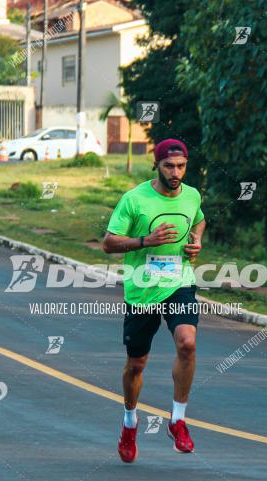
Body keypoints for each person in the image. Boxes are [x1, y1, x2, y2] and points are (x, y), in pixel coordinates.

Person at [102, 138, 206, 463]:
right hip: (142, 289)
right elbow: (108, 243)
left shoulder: (192, 195)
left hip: (179, 283)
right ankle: (129, 423)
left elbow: (199, 218)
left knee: (187, 343)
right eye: (169, 166)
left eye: (181, 166)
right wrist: (144, 241)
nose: (176, 173)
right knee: (136, 365)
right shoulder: (134, 199)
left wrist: (196, 241)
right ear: (156, 164)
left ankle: (177, 420)